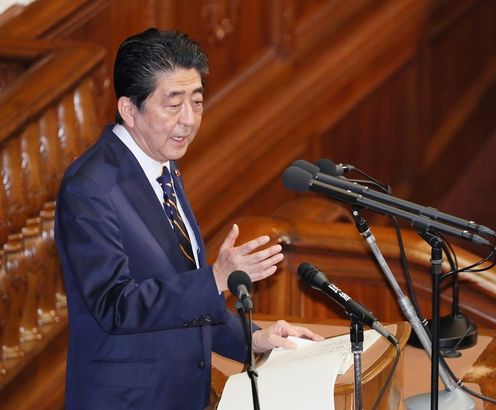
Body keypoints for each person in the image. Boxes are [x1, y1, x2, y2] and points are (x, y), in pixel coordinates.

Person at [54, 28, 322, 410]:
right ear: (129, 109)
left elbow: (180, 296)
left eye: (196, 102)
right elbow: (117, 304)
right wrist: (215, 277)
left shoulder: (164, 167)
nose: (189, 120)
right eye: (173, 103)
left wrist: (254, 339)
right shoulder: (90, 188)